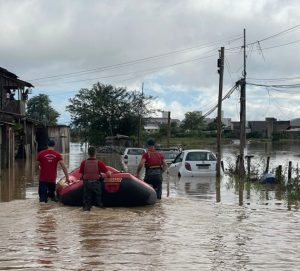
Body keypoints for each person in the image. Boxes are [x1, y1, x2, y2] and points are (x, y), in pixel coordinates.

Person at [79, 146, 112, 211]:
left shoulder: (83, 163)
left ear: (88, 153)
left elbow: (80, 176)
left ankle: (86, 208)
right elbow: (108, 175)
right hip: (96, 183)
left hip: (86, 184)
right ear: (95, 153)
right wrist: (110, 173)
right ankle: (99, 208)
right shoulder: (99, 163)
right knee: (98, 200)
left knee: (86, 202)